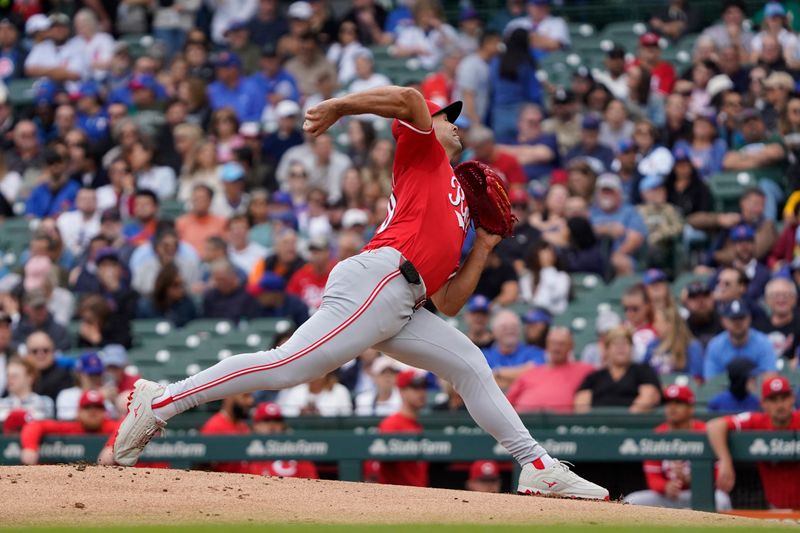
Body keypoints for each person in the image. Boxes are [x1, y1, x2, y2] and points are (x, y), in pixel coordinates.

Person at [114, 86, 609, 500]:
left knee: (469, 363)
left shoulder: (457, 208)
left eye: (455, 118)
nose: (455, 123)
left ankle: (538, 464)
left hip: (404, 302)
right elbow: (409, 97)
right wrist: (339, 106)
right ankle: (161, 402)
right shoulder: (424, 154)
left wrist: (482, 245)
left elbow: (450, 303)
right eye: (446, 116)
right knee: (291, 365)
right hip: (380, 279)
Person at [626, 385, 732, 511]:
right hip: (667, 497)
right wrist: (665, 486)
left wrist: (690, 479)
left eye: (678, 403)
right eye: (669, 403)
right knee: (631, 500)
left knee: (721, 500)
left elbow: (718, 478)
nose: (672, 407)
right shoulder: (657, 435)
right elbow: (653, 478)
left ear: (690, 408)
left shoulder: (705, 433)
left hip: (699, 495)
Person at [707, 375, 800, 509]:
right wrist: (725, 461)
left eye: (784, 398)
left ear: (792, 398)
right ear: (763, 403)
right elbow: (714, 425)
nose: (780, 405)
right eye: (773, 399)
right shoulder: (757, 421)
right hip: (775, 508)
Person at [574, 326, 662, 413]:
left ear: (632, 348)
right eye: (615, 344)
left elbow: (649, 396)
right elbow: (581, 403)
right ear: (607, 349)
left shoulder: (643, 371)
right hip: (599, 424)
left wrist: (625, 420)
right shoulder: (594, 377)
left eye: (625, 343)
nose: (621, 348)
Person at [506, 328, 594, 414]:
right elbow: (507, 402)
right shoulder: (531, 372)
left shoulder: (585, 370)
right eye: (553, 343)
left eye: (561, 344)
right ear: (546, 345)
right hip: (524, 420)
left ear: (571, 346)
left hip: (560, 423)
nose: (556, 348)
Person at [19, 390, 118, 465]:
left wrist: (112, 446)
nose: (93, 412)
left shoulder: (111, 426)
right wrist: (30, 447)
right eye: (87, 407)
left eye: (98, 407)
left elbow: (125, 426)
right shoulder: (71, 426)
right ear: (78, 412)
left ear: (105, 412)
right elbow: (35, 424)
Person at [377, 369, 429, 487]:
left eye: (423, 387)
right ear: (402, 391)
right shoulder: (391, 424)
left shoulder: (417, 425)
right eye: (415, 388)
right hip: (397, 498)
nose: (421, 392)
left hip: (419, 496)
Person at [704, 298, 777, 380]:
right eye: (733, 319)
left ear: (749, 318)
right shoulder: (715, 345)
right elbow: (711, 381)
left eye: (741, 317)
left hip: (756, 391)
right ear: (723, 321)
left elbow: (770, 376)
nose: (738, 323)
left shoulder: (763, 343)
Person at [247, 402, 319, 479]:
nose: (272, 426)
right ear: (255, 425)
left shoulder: (297, 450)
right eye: (266, 420)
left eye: (276, 420)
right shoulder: (245, 450)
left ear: (283, 425)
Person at [481, 310, 545, 391]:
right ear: (493, 332)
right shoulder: (484, 355)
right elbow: (483, 383)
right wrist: (520, 376)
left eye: (514, 326)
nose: (510, 330)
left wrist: (498, 372)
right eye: (504, 327)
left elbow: (535, 373)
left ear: (520, 330)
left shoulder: (535, 352)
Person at [643, 305, 705, 381]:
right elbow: (643, 375)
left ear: (669, 324)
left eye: (657, 321)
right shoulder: (652, 345)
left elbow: (697, 379)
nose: (654, 325)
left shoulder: (692, 346)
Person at [200, 392, 254, 473]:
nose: (250, 401)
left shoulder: (243, 426)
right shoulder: (213, 427)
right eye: (245, 396)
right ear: (229, 397)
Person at [753, 277, 799, 362]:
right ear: (767, 300)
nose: (781, 299)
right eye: (776, 295)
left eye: (786, 295)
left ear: (795, 299)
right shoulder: (756, 328)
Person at [277, 371, 352, 417]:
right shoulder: (297, 390)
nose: (317, 375)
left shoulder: (340, 390)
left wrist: (321, 415)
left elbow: (346, 417)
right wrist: (300, 413)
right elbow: (286, 415)